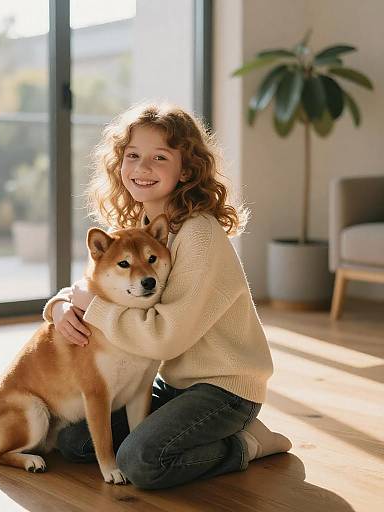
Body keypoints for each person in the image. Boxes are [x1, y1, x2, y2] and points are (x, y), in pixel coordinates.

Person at [42, 102, 292, 490]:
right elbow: (100, 283)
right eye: (133, 156)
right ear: (118, 164)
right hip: (175, 382)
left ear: (186, 169)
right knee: (74, 441)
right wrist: (60, 305)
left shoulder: (200, 236)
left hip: (224, 388)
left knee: (141, 462)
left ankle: (248, 443)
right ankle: (200, 432)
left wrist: (93, 310)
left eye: (159, 157)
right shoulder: (143, 227)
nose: (142, 169)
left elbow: (167, 336)